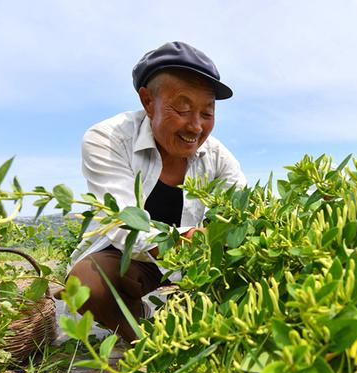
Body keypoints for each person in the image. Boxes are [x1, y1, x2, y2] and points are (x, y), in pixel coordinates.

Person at [67, 42, 246, 341]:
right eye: (183, 108)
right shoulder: (108, 138)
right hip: (130, 258)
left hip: (192, 263)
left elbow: (242, 214)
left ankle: (193, 316)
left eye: (207, 113)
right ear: (148, 101)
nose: (196, 126)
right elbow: (122, 224)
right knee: (86, 284)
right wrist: (191, 240)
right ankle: (146, 334)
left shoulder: (218, 157)